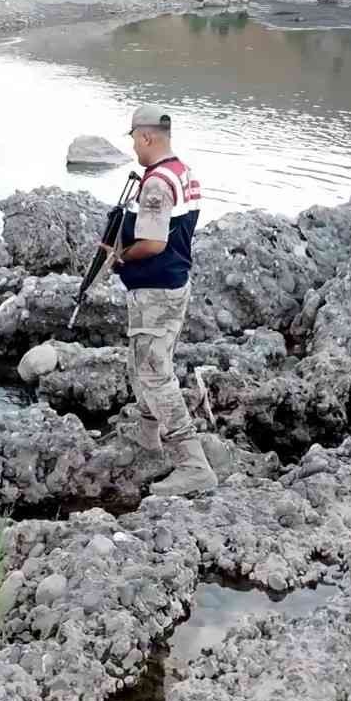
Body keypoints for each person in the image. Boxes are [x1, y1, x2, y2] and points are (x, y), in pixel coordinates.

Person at [105, 104, 218, 497]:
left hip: (156, 289)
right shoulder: (181, 172)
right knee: (143, 362)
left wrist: (120, 257)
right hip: (172, 284)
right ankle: (149, 439)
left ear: (146, 137)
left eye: (135, 139)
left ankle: (193, 464)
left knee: (154, 372)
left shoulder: (156, 183)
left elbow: (153, 241)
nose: (135, 146)